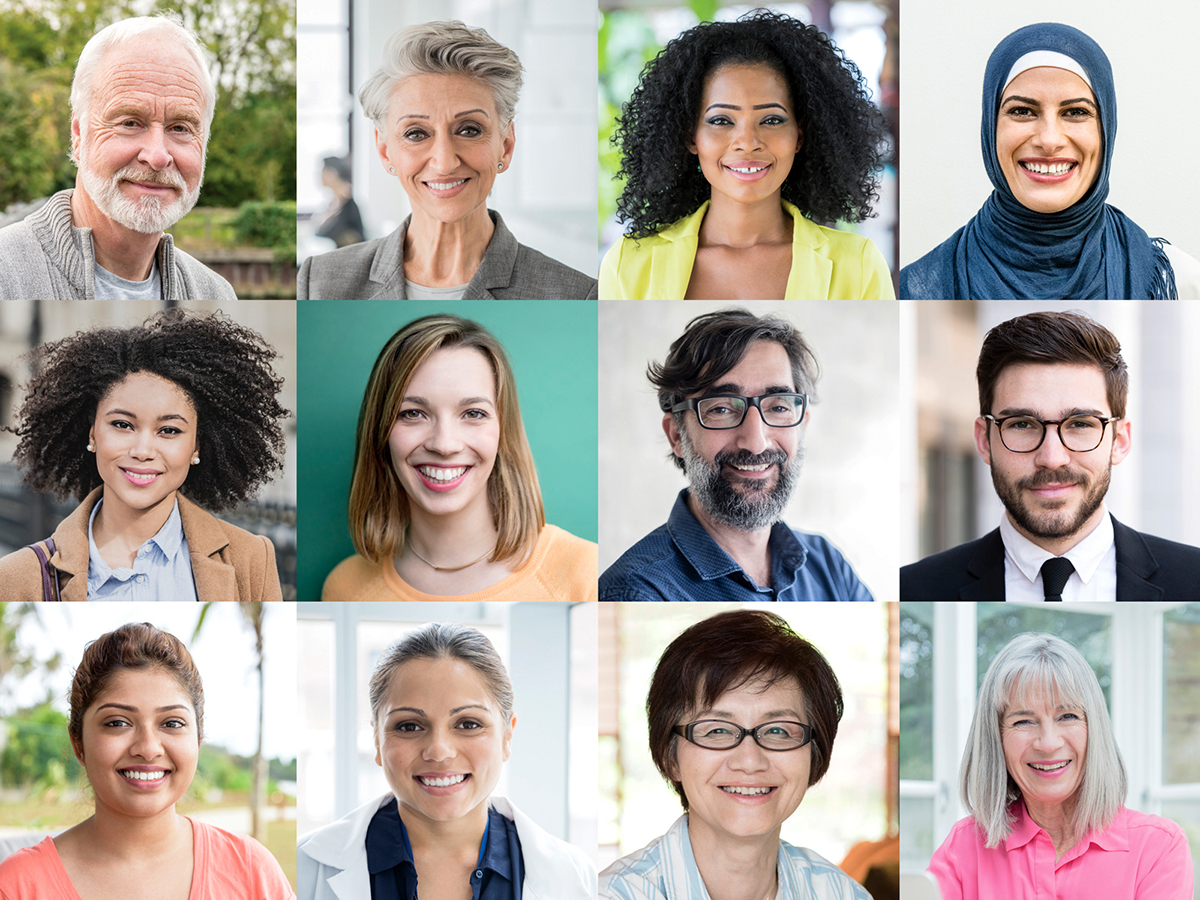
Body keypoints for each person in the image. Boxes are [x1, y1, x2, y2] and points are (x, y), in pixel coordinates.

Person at [901, 310, 1200, 600]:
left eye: (1080, 424)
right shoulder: (913, 589)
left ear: (1119, 440)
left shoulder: (1192, 579)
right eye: (1022, 424)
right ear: (984, 441)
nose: (1052, 457)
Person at [599, 9, 893, 301]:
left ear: (799, 136)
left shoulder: (859, 266)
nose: (748, 142)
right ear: (691, 137)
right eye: (721, 121)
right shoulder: (628, 265)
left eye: (772, 120)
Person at [0, 309, 287, 601]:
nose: (142, 451)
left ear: (197, 446)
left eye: (170, 430)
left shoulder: (251, 559)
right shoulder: (15, 576)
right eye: (122, 425)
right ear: (91, 434)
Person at [900, 22, 1200, 300]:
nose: (1049, 139)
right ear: (991, 127)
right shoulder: (914, 288)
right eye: (1022, 111)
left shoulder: (1175, 282)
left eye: (1075, 112)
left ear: (1106, 129)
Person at [298, 21, 596, 300]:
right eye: (416, 133)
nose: (444, 162)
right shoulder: (319, 283)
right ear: (386, 151)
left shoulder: (576, 295)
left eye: (469, 130)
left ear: (505, 145)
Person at [297, 622, 595, 899]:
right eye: (409, 726)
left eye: (467, 724)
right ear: (377, 740)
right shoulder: (303, 869)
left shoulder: (574, 877)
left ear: (507, 736)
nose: (438, 751)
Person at [0, 622, 294, 898]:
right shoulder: (16, 886)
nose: (148, 748)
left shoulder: (253, 871)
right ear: (78, 743)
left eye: (172, 723)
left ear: (198, 739)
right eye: (117, 723)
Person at [600, 309, 872, 601]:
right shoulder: (636, 591)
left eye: (778, 407)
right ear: (677, 436)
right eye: (721, 409)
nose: (756, 443)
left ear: (802, 424)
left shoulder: (830, 567)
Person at [322, 314, 597, 601]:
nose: (444, 444)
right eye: (412, 413)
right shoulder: (346, 587)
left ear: (503, 430)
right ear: (381, 432)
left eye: (473, 414)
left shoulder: (584, 574)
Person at [600, 609, 871, 900]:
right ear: (670, 757)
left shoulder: (842, 894)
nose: (750, 761)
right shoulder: (610, 894)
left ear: (814, 752)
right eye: (717, 731)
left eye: (778, 731)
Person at [928, 633, 1192, 899]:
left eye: (1067, 716)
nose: (1048, 743)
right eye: (1023, 722)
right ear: (995, 738)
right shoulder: (963, 846)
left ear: (1095, 729)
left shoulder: (1159, 847)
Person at [0, 16, 236, 301]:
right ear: (78, 134)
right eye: (130, 123)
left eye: (180, 128)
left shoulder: (216, 296)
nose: (158, 156)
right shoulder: (7, 277)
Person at [315, 156, 366, 248]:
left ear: (333, 174)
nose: (320, 176)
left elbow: (326, 232)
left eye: (323, 171)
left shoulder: (346, 200)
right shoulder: (334, 202)